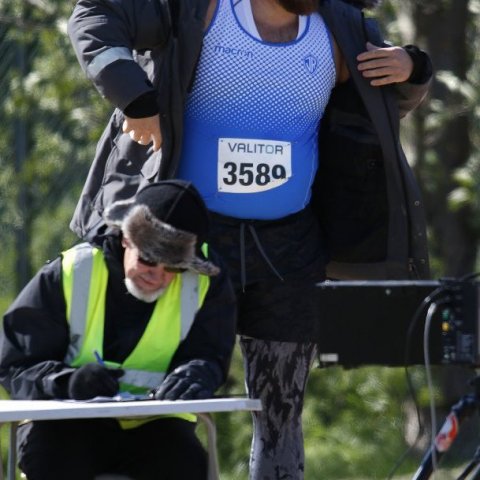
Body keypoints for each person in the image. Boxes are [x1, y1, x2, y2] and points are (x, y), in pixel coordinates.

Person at [66, 0, 433, 478]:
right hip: (188, 245)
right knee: (156, 404)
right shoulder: (198, 9)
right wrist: (134, 97)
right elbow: (94, 15)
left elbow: (385, 101)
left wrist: (412, 68)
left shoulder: (340, 26)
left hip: (290, 249)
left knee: (279, 415)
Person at [0, 180, 236, 480]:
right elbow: (15, 364)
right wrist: (67, 382)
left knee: (188, 466)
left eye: (175, 266)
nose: (158, 275)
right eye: (148, 257)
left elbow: (210, 353)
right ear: (126, 237)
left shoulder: (207, 280)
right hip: (64, 420)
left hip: (155, 425)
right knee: (56, 462)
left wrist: (199, 372)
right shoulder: (71, 271)